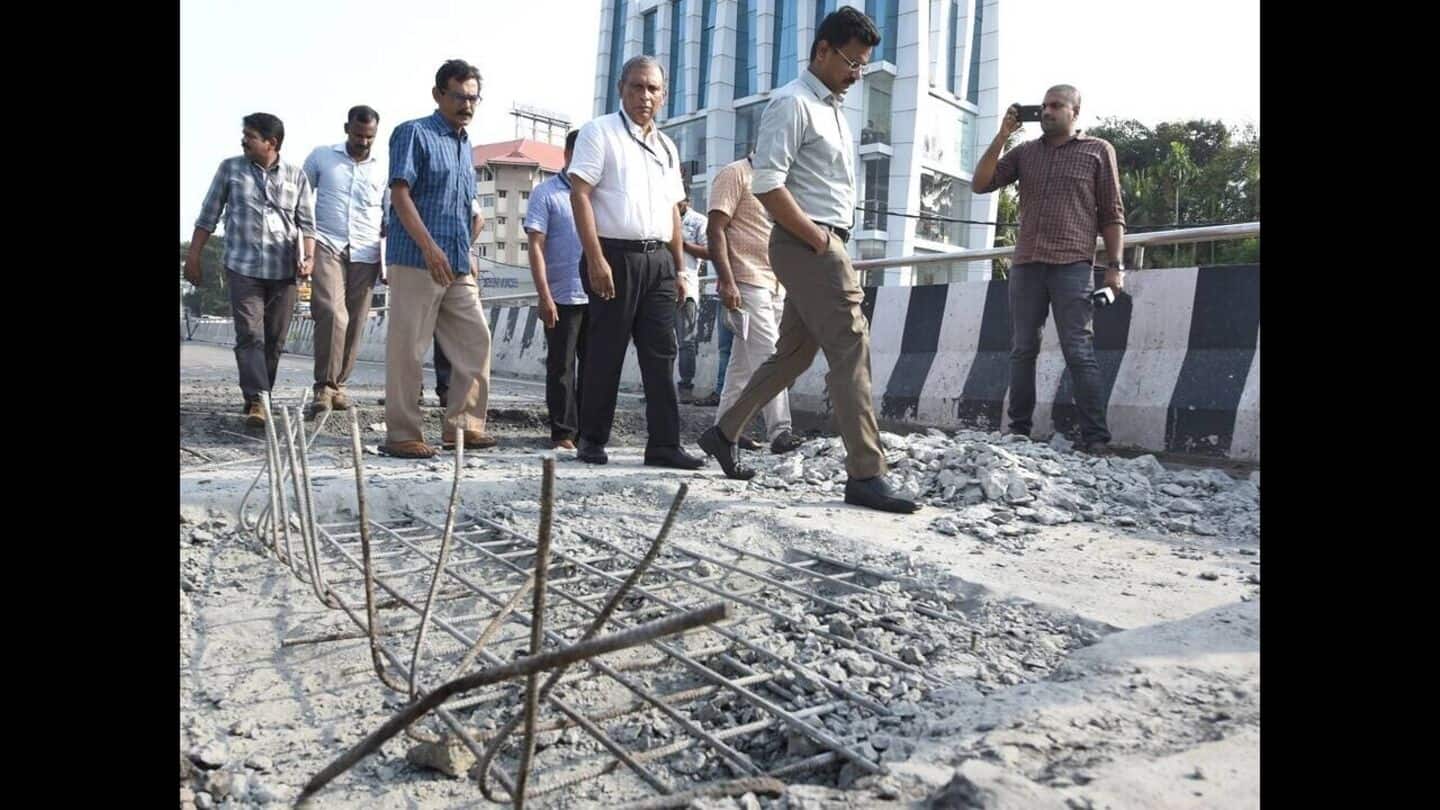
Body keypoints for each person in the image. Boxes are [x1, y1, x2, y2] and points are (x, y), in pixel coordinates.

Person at [698, 6, 919, 514]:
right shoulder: (792, 103)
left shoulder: (833, 108)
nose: (857, 74)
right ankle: (866, 473)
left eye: (863, 65)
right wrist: (818, 239)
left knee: (794, 354)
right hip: (808, 243)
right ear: (822, 50)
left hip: (820, 241)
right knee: (851, 346)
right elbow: (767, 183)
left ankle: (724, 431)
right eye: (852, 62)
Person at [567, 55, 705, 470]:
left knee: (662, 353)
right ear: (621, 89)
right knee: (604, 352)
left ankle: (664, 444)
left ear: (664, 96)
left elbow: (673, 212)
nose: (645, 95)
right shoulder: (599, 132)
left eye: (653, 89)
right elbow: (580, 195)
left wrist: (680, 270)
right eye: (637, 86)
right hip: (613, 256)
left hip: (658, 261)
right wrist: (595, 258)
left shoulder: (667, 147)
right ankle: (592, 439)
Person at [972, 85, 1126, 455]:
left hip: (1072, 264)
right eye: (1043, 106)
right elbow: (980, 184)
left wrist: (1115, 268)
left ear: (1075, 112)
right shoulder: (1025, 153)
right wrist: (1003, 135)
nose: (1046, 111)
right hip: (1027, 264)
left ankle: (1096, 438)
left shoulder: (1098, 150)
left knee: (1079, 349)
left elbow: (1112, 213)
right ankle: (1018, 431)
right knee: (1023, 349)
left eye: (1056, 106)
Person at [380, 58, 496, 459]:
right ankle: (402, 434)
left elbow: (466, 209)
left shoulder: (466, 146)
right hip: (416, 258)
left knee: (475, 340)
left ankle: (463, 427)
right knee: (409, 350)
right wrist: (429, 247)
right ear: (438, 94)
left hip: (456, 265)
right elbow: (400, 195)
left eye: (474, 98)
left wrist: (466, 250)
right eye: (459, 96)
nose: (467, 105)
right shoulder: (414, 133)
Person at [185, 113, 316, 428]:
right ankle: (258, 399)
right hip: (242, 267)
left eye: (250, 136)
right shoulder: (230, 169)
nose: (244, 141)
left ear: (271, 143)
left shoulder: (296, 176)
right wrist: (193, 257)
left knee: (275, 339)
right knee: (249, 333)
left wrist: (309, 258)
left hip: (283, 270)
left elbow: (308, 226)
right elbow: (208, 216)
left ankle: (260, 395)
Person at [707, 154, 803, 454]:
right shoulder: (735, 173)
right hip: (746, 280)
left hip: (775, 282)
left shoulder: (778, 182)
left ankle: (724, 430)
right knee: (771, 355)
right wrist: (727, 281)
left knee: (741, 367)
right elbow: (715, 229)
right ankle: (781, 431)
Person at [301, 105, 388, 418]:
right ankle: (323, 386)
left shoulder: (384, 167)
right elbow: (300, 198)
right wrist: (303, 244)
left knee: (355, 319)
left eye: (369, 137)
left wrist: (389, 258)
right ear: (346, 128)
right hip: (327, 243)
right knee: (331, 312)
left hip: (366, 250)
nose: (363, 142)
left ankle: (339, 385)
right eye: (358, 135)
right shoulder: (322, 157)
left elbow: (389, 213)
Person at [525, 129, 588, 450]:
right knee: (562, 367)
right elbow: (536, 245)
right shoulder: (545, 193)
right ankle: (563, 432)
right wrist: (544, 295)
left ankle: (588, 431)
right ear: (567, 154)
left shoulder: (600, 194)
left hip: (598, 294)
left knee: (595, 367)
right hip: (562, 295)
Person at [676, 196, 709, 401]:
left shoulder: (698, 221)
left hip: (687, 287)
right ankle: (657, 386)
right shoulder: (661, 216)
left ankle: (686, 385)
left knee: (686, 340)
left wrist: (682, 245)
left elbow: (709, 251)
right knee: (659, 341)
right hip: (660, 286)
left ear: (686, 200)